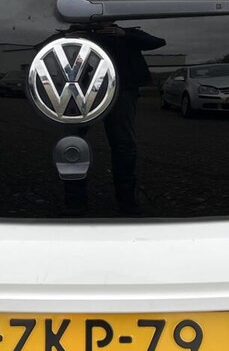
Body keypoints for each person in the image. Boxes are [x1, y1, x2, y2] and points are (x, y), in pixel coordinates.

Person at [62, 22, 166, 215]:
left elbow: (157, 42)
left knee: (122, 145)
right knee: (74, 144)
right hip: (82, 93)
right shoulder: (77, 32)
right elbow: (43, 47)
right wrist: (66, 38)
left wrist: (124, 34)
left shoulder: (125, 33)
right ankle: (75, 202)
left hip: (120, 91)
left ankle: (127, 201)